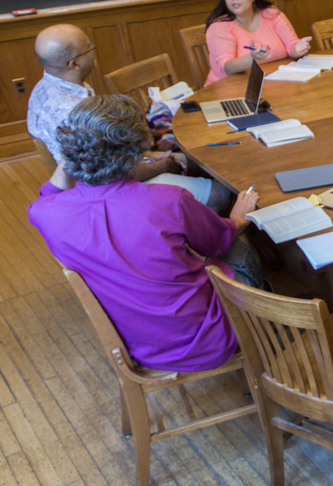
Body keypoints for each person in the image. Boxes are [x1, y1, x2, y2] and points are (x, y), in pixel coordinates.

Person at [28, 95, 263, 373]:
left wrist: (74, 155)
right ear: (137, 150)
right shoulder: (167, 199)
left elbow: (50, 193)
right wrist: (238, 217)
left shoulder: (45, 213)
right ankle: (264, 336)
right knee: (241, 246)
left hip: (140, 347)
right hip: (208, 340)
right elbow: (218, 241)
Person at [26, 23, 228, 211]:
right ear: (75, 64)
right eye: (89, 47)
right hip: (109, 192)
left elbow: (106, 156)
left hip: (108, 170)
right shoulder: (74, 110)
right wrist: (163, 166)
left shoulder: (49, 88)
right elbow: (109, 175)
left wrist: (147, 155)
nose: (94, 49)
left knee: (197, 160)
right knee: (222, 193)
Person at [204, 0, 312, 85]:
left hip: (269, 83)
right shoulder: (219, 26)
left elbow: (291, 46)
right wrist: (252, 58)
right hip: (228, 89)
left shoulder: (271, 14)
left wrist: (297, 49)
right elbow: (227, 67)